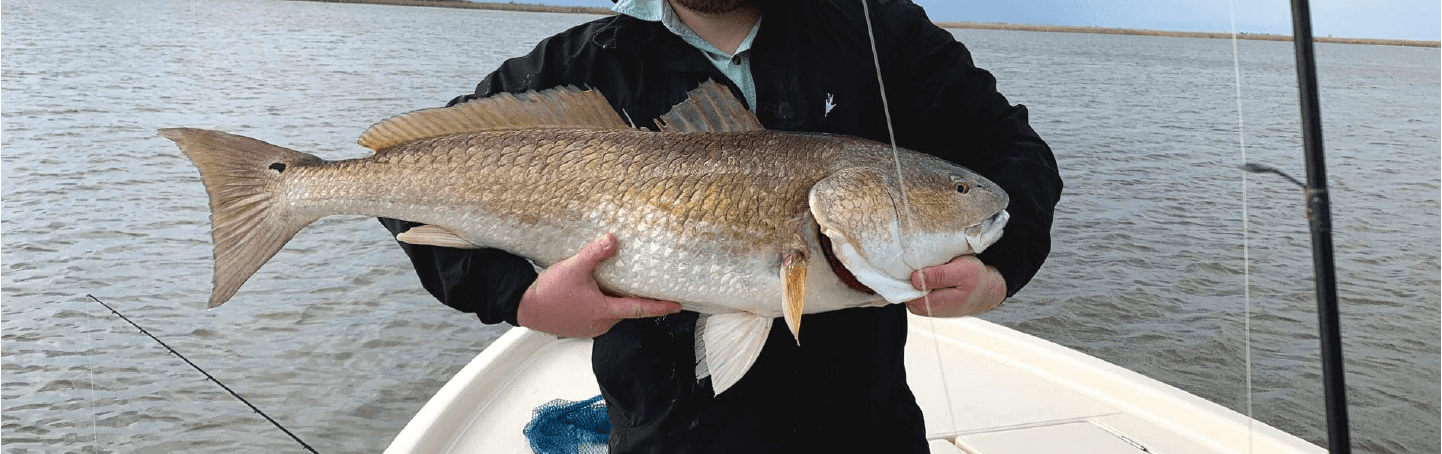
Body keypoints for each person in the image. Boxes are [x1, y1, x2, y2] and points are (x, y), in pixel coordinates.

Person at [380, 0, 1063, 452]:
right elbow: (395, 185)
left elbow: (1012, 154)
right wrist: (521, 298)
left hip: (867, 431)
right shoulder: (579, 65)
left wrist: (1000, 271)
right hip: (664, 435)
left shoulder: (879, 31)